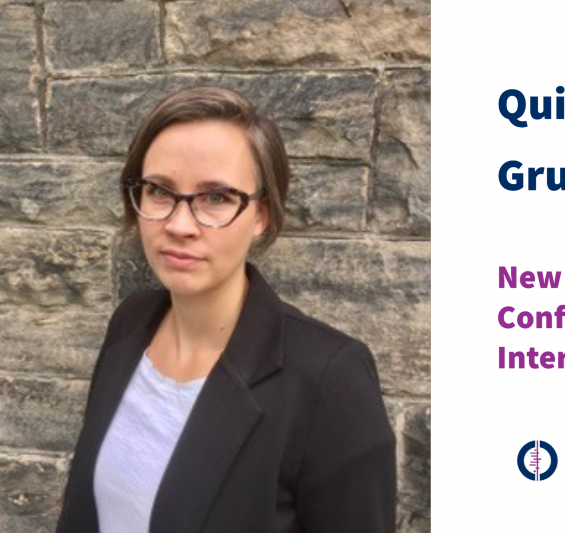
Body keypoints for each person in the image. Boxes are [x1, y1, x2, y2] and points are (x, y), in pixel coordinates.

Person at [55, 86, 396, 533]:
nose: (179, 225)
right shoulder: (131, 322)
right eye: (159, 190)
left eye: (216, 198)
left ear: (262, 215)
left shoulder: (327, 378)